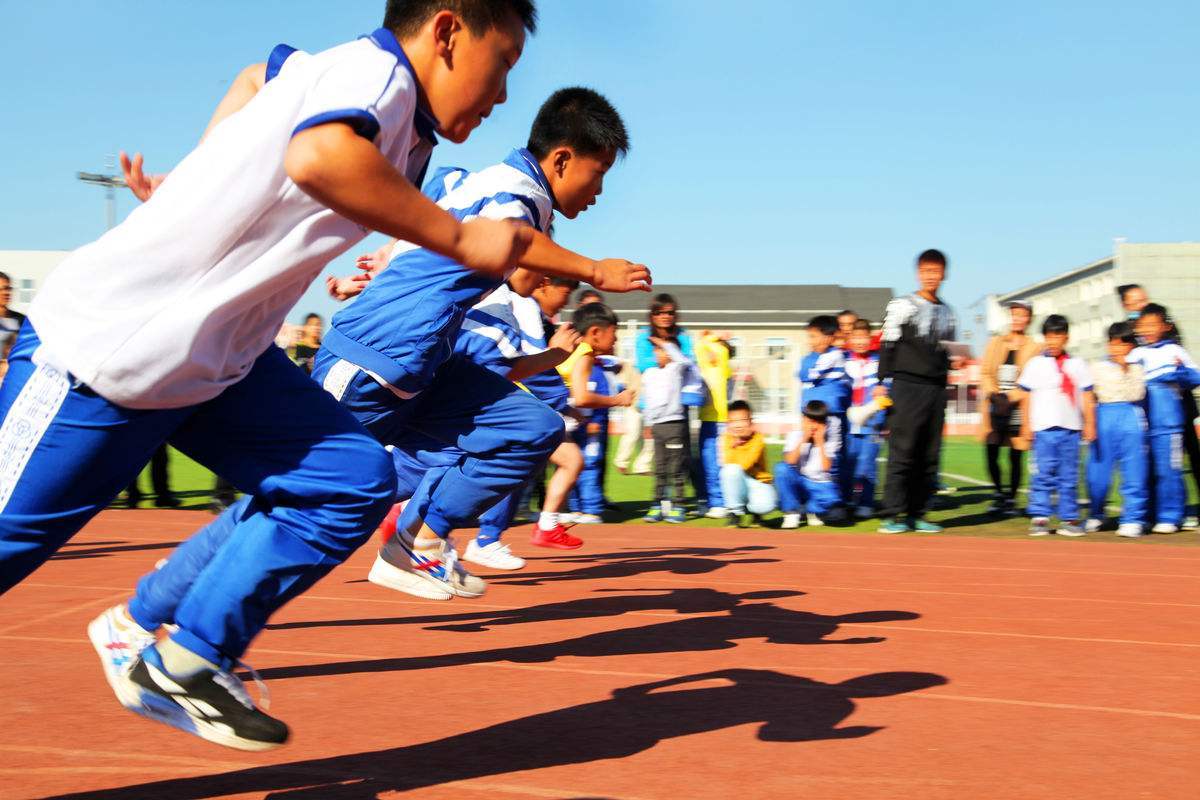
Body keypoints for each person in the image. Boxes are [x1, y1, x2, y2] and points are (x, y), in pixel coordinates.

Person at [63, 1, 542, 752]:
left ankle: (186, 656)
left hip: (228, 353)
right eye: (504, 62)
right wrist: (484, 244)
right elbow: (321, 158)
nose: (504, 93)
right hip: (125, 339)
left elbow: (260, 77)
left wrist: (203, 173)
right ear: (449, 31)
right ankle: (139, 620)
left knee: (344, 480)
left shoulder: (407, 133)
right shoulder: (378, 76)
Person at [312, 86, 645, 601]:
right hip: (370, 362)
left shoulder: (478, 180)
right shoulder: (522, 196)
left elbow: (429, 211)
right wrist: (596, 269)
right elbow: (507, 235)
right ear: (561, 158)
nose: (599, 190)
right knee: (305, 509)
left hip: (422, 365)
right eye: (597, 173)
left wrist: (389, 258)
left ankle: (417, 542)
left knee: (530, 426)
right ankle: (157, 613)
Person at [876, 249, 960, 534]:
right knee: (903, 450)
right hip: (905, 385)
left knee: (930, 453)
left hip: (936, 389)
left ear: (944, 274)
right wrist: (880, 382)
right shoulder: (901, 305)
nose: (931, 277)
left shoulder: (948, 313)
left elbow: (948, 352)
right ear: (918, 273)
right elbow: (887, 344)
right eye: (926, 271)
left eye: (936, 272)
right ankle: (893, 514)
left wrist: (956, 361)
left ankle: (919, 512)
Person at [1121, 284, 1200, 529]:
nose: (1148, 330)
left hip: (1170, 423)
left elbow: (1195, 376)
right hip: (1142, 425)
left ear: (1165, 326)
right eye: (1144, 326)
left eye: (1153, 325)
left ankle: (1171, 516)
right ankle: (1149, 514)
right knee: (1146, 470)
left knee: (1170, 470)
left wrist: (1178, 374)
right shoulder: (1135, 353)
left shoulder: (1174, 349)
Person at [1018, 315, 1095, 536]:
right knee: (1042, 473)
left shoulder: (1077, 364)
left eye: (1057, 336)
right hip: (1043, 428)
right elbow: (1026, 396)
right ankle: (1040, 517)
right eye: (1049, 337)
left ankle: (1069, 519)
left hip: (1070, 428)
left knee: (1069, 475)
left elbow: (1088, 396)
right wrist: (1026, 424)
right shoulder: (1035, 364)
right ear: (1044, 338)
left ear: (1066, 338)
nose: (1053, 342)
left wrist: (1090, 423)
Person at [1086, 322, 1149, 537]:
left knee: (1134, 470)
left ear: (1131, 346)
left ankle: (1132, 518)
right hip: (1103, 415)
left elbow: (1137, 394)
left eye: (1122, 344)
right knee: (1098, 472)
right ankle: (1096, 513)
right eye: (1113, 343)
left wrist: (1126, 369)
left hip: (1130, 416)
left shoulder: (1137, 367)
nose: (1116, 349)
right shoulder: (1096, 366)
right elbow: (1089, 395)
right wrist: (1089, 422)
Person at [978, 301, 1040, 515]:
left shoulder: (1034, 347)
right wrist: (995, 394)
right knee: (991, 448)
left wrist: (1012, 397)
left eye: (1022, 315)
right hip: (995, 406)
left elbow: (1033, 380)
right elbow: (985, 372)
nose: (1018, 318)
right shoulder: (996, 342)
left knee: (1016, 454)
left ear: (1029, 318)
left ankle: (1012, 499)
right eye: (1014, 314)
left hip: (1018, 408)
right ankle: (998, 493)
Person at [632, 294, 697, 494]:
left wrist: (666, 355)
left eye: (669, 312)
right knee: (659, 458)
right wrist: (666, 358)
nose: (665, 316)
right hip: (654, 406)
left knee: (681, 455)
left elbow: (689, 363)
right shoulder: (643, 337)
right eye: (659, 312)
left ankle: (680, 498)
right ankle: (661, 499)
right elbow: (642, 364)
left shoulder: (683, 337)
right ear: (652, 315)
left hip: (679, 406)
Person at [641, 337, 693, 523]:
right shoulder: (649, 373)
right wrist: (647, 423)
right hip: (657, 426)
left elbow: (684, 360)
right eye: (656, 350)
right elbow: (647, 400)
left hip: (674, 424)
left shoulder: (675, 369)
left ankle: (678, 506)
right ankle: (658, 505)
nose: (657, 353)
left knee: (676, 467)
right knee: (660, 468)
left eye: (661, 350)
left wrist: (666, 344)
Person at [842, 320, 889, 518]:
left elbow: (887, 393)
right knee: (848, 463)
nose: (860, 342)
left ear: (870, 339)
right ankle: (846, 500)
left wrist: (884, 419)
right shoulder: (842, 361)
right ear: (849, 339)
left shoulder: (880, 364)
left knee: (867, 464)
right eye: (856, 337)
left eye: (864, 337)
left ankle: (866, 503)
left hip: (872, 424)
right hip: (848, 424)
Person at [776, 399, 842, 528]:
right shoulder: (795, 435)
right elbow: (789, 461)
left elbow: (826, 467)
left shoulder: (830, 440)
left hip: (819, 485)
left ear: (825, 424)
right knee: (781, 468)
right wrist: (804, 439)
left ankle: (811, 510)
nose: (814, 426)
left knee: (833, 501)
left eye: (819, 422)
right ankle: (791, 513)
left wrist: (820, 443)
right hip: (799, 483)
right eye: (810, 421)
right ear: (803, 420)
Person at [719, 400, 777, 527]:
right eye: (733, 421)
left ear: (751, 421)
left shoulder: (758, 438)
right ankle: (735, 513)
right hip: (739, 480)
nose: (738, 425)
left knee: (766, 506)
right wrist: (734, 443)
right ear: (728, 423)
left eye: (742, 420)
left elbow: (746, 463)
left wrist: (738, 444)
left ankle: (755, 512)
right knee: (729, 471)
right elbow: (727, 463)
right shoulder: (726, 438)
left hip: (758, 481)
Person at [695, 330, 734, 518]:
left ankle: (718, 502)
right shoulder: (722, 368)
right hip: (712, 419)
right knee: (708, 462)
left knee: (712, 463)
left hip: (715, 420)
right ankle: (711, 500)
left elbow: (699, 343)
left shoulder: (718, 361)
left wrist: (711, 336)